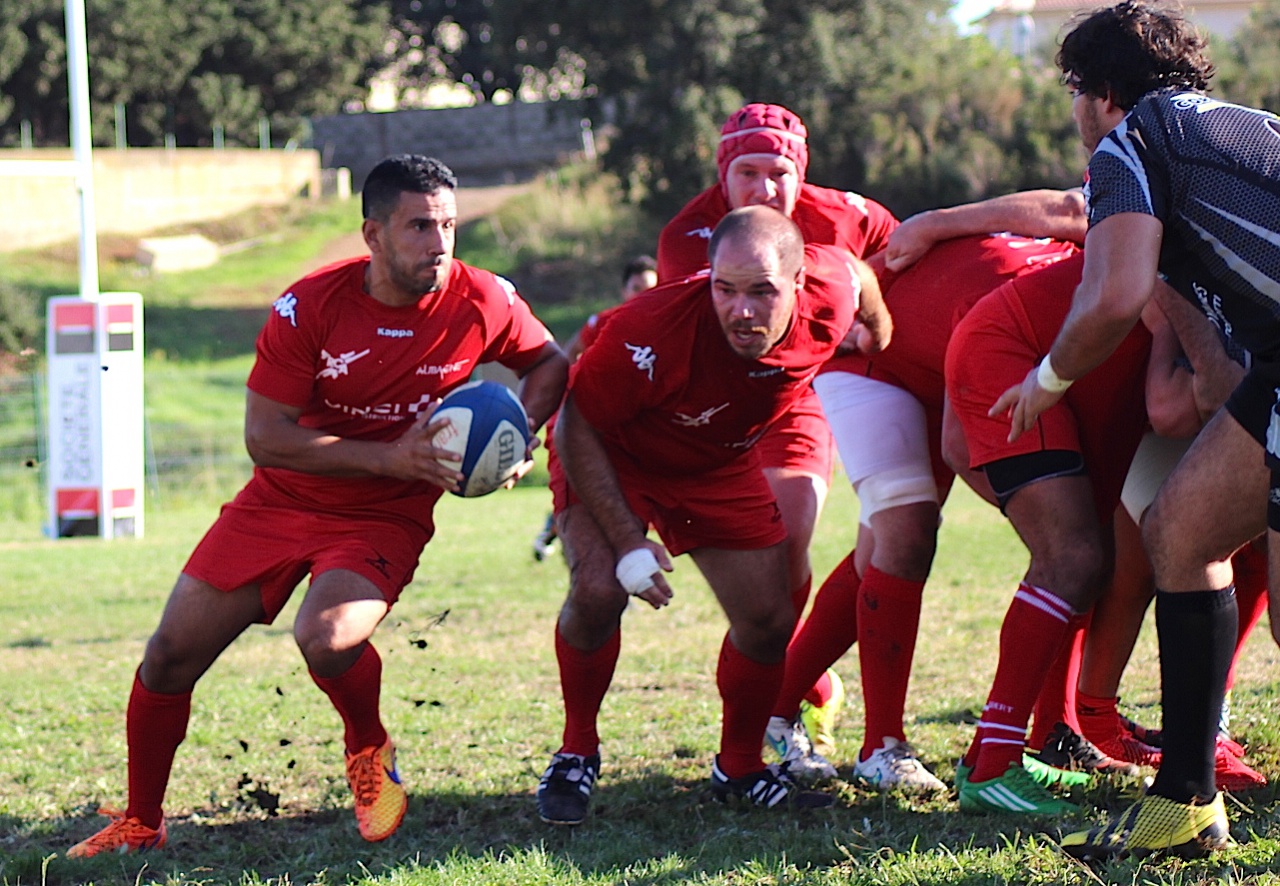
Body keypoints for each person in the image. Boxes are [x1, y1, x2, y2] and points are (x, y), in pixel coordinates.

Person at [66, 154, 569, 857]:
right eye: (420, 225)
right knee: (169, 656)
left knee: (327, 638)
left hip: (385, 514)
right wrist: (391, 454)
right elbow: (264, 439)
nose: (440, 243)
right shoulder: (309, 307)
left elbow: (550, 364)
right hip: (282, 497)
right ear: (373, 234)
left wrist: (520, 438)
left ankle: (368, 750)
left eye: (450, 225)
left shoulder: (482, 298)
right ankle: (142, 823)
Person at [994, 0, 1280, 858]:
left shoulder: (1135, 139)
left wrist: (1047, 378)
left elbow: (1113, 296)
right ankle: (1184, 806)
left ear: (1100, 92)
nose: (1077, 113)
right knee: (1181, 528)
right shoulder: (1244, 127)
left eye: (1076, 93)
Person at [536, 206, 883, 825]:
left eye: (761, 292)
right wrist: (625, 541)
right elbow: (577, 425)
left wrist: (879, 331)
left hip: (714, 464)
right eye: (725, 288)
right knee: (596, 589)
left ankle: (740, 766)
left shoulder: (831, 293)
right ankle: (576, 752)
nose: (740, 310)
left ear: (801, 283)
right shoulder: (650, 329)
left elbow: (856, 272)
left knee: (770, 618)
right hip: (612, 453)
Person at [768, 230, 1082, 791]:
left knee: (884, 548)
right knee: (907, 531)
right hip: (875, 361)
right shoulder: (1071, 254)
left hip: (940, 365)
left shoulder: (1094, 255)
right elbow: (956, 446)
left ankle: (773, 705)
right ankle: (880, 745)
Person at [657, 103, 897, 762]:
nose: (764, 189)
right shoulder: (690, 237)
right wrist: (829, 321)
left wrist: (876, 314)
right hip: (716, 415)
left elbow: (897, 249)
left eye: (779, 172)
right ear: (722, 173)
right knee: (759, 580)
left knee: (791, 543)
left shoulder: (843, 213)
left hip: (800, 398)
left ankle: (779, 703)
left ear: (803, 173)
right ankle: (795, 688)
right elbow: (727, 337)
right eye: (748, 172)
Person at [945, 251, 1152, 815]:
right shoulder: (1157, 183)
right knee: (1072, 557)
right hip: (1024, 361)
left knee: (1091, 560)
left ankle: (990, 749)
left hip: (1078, 371)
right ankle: (994, 769)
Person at [533, 255, 658, 562]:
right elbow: (568, 353)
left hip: (637, 426)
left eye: (651, 288)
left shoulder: (664, 326)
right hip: (595, 423)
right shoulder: (604, 322)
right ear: (623, 290)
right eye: (636, 287)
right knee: (591, 489)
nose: (642, 295)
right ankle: (568, 540)